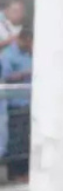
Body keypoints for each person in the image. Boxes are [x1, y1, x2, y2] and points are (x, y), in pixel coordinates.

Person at [0, 28, 32, 183]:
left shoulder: (29, 54)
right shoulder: (8, 55)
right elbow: (6, 78)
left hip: (28, 102)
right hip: (14, 104)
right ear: (23, 39)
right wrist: (25, 73)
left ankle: (25, 171)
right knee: (15, 140)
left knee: (26, 140)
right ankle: (14, 173)